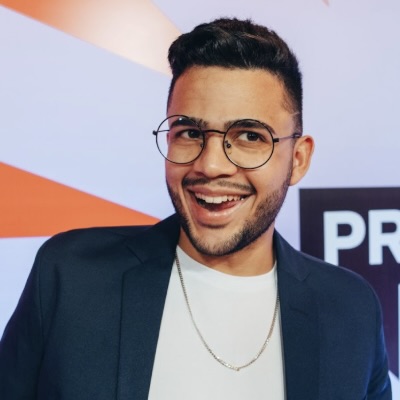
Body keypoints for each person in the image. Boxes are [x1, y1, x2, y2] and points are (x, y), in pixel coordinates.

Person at [0, 17, 391, 400]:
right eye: (190, 133)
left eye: (249, 136)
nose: (211, 165)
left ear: (298, 159)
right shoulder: (71, 276)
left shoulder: (350, 310)